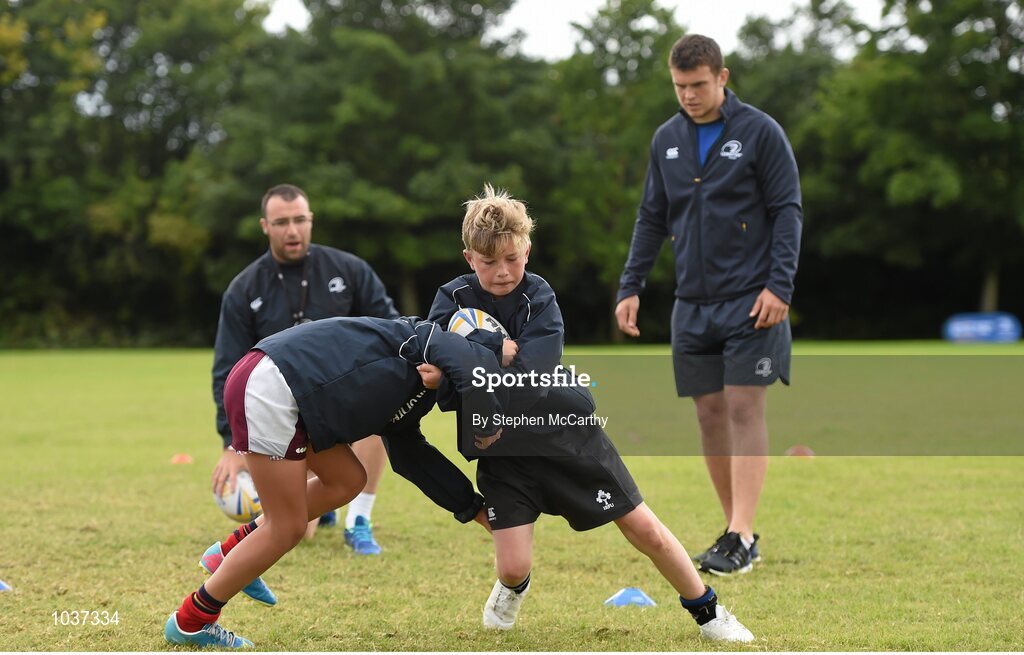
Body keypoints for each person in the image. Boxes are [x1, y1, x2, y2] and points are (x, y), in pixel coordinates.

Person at [425, 184, 754, 643]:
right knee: (513, 565)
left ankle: (709, 612)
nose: (502, 273)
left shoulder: (540, 298)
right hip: (500, 448)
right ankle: (512, 588)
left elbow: (530, 377)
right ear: (469, 258)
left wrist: (466, 364)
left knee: (645, 530)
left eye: (513, 259)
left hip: (565, 436)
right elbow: (435, 367)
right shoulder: (451, 300)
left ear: (528, 250)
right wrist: (494, 350)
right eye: (488, 263)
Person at [165, 315, 509, 648]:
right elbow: (461, 359)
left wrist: (477, 511)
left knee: (347, 479)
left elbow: (413, 459)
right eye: (486, 374)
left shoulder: (419, 380)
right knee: (287, 527)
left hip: (282, 389)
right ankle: (192, 621)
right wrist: (490, 425)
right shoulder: (427, 340)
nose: (485, 382)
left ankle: (228, 554)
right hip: (271, 388)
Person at [614, 34, 802, 576]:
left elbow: (788, 210)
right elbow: (652, 217)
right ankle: (735, 532)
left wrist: (780, 286)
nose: (689, 96)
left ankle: (742, 530)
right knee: (708, 411)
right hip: (691, 303)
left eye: (698, 85)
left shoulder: (761, 132)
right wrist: (631, 286)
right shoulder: (666, 138)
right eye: (679, 87)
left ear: (722, 77)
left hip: (753, 299)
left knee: (745, 406)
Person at [211, 184, 398, 554]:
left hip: (344, 397)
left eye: (299, 220)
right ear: (266, 226)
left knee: (383, 408)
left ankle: (359, 519)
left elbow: (392, 329)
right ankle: (320, 499)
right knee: (300, 531)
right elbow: (227, 369)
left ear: (311, 220)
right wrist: (231, 444)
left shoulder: (350, 270)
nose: (292, 231)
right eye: (281, 222)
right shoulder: (244, 288)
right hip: (284, 414)